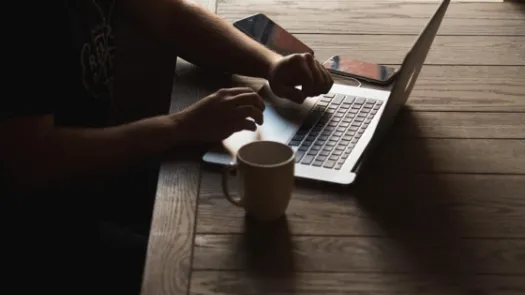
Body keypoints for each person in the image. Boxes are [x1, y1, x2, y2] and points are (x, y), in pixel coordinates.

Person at [1, 0, 333, 294]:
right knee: (208, 274)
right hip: (37, 230)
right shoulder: (24, 14)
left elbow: (173, 17)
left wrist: (271, 65)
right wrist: (181, 126)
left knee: (231, 209)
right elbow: (33, 162)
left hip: (95, 175)